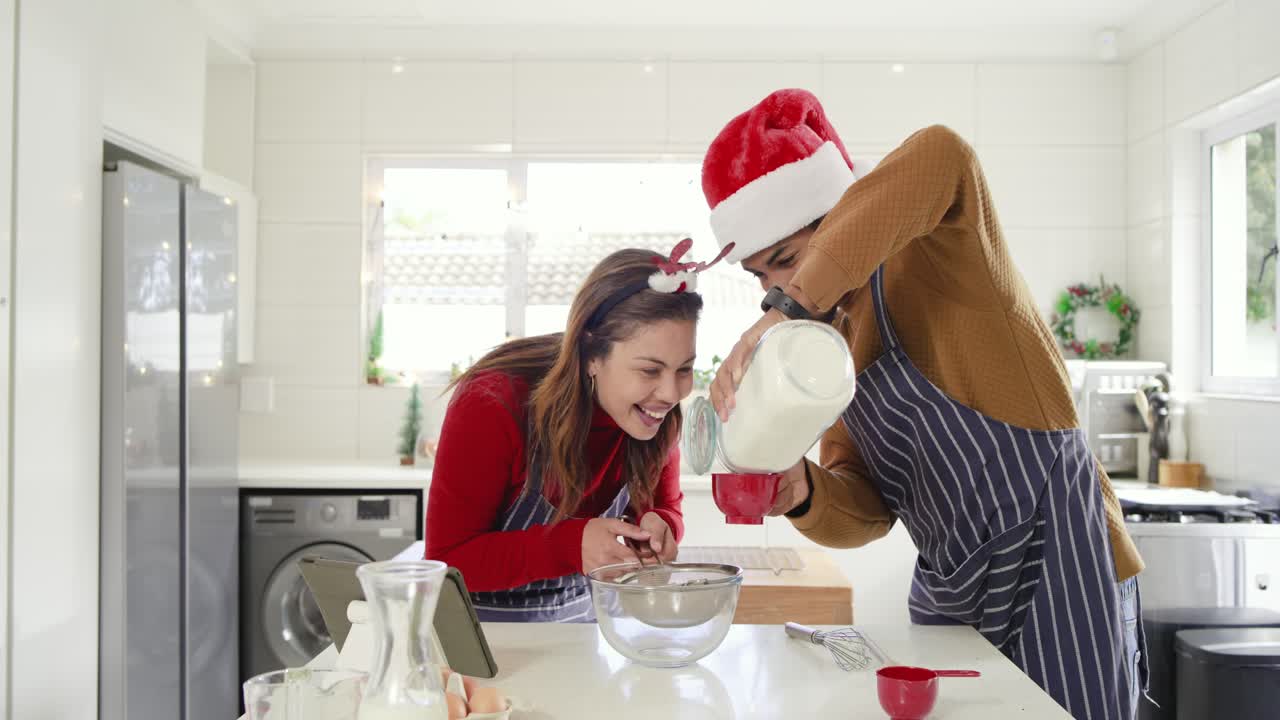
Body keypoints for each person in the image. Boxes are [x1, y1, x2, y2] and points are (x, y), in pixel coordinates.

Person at [701, 89, 1147, 719]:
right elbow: (869, 509)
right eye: (761, 278)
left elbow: (944, 151)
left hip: (1062, 565)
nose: (776, 288)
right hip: (955, 589)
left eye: (788, 262)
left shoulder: (941, 256)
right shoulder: (831, 350)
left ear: (846, 219)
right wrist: (802, 491)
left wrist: (778, 314)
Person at [425, 242, 727, 622]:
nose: (671, 393)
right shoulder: (494, 402)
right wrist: (569, 545)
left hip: (582, 634)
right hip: (481, 643)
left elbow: (667, 507)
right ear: (591, 355)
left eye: (684, 369)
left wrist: (661, 525)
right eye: (650, 370)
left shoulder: (653, 415)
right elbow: (447, 559)